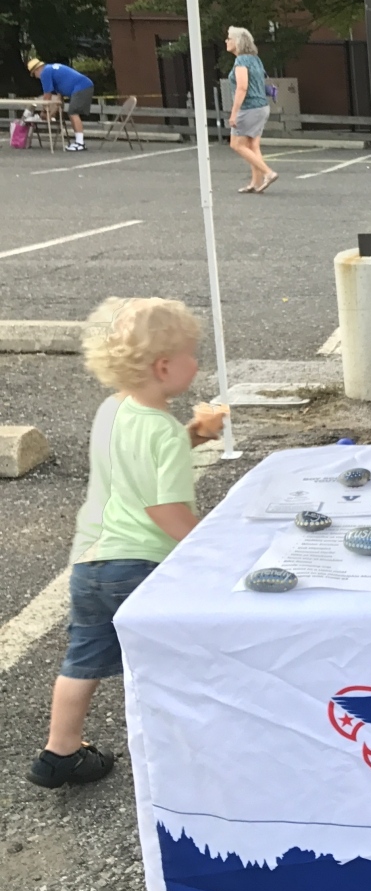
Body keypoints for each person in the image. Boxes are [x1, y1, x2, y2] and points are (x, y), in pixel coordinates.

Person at [27, 298, 226, 788]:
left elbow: (139, 461)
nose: (196, 362)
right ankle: (187, 751)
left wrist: (193, 436)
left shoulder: (112, 409)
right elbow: (165, 510)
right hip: (141, 566)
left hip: (92, 562)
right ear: (164, 367)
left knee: (83, 656)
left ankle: (59, 751)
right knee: (169, 653)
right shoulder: (163, 431)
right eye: (191, 354)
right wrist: (216, 545)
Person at [224, 27, 277, 193]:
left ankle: (268, 173)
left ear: (238, 41)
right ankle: (255, 182)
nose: (226, 41)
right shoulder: (255, 59)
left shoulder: (241, 61)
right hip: (262, 107)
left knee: (236, 144)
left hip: (248, 108)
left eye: (229, 38)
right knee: (253, 146)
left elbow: (242, 88)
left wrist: (234, 113)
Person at [28, 57, 93, 151]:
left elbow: (47, 95)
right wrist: (51, 114)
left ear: (37, 69)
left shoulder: (45, 72)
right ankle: (79, 142)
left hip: (82, 86)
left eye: (34, 74)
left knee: (73, 112)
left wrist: (44, 111)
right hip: (83, 85)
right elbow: (59, 100)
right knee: (72, 113)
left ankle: (80, 143)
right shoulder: (52, 70)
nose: (36, 77)